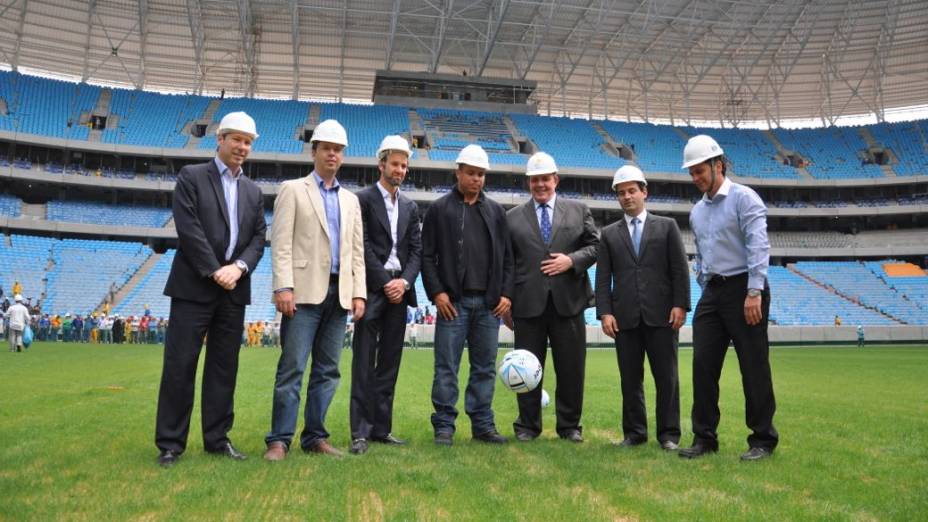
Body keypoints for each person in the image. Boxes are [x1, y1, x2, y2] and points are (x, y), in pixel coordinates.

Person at [154, 111, 267, 467]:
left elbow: (258, 238)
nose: (242, 147)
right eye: (236, 139)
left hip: (233, 291)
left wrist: (238, 267)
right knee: (180, 365)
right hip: (194, 287)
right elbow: (188, 229)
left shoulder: (253, 190)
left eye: (248, 142)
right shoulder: (192, 177)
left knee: (223, 368)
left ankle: (217, 439)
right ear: (220, 139)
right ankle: (171, 443)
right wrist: (216, 270)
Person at [265, 119, 366, 461]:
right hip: (303, 294)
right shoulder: (292, 190)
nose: (333, 155)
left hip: (340, 295)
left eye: (338, 150)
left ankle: (315, 436)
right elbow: (280, 243)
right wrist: (283, 286)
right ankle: (279, 440)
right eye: (327, 148)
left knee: (328, 370)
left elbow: (356, 250)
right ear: (314, 152)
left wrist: (359, 293)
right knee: (292, 367)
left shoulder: (351, 201)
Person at [679, 135, 778, 462]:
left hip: (745, 289)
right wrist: (704, 279)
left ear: (718, 165)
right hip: (713, 291)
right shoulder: (697, 212)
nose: (696, 178)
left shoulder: (744, 199)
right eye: (691, 173)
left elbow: (758, 247)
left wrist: (754, 291)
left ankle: (762, 439)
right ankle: (704, 437)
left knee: (753, 366)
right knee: (703, 366)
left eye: (700, 171)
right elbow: (703, 252)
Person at [422, 144, 513, 446]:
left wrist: (506, 295)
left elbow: (509, 259)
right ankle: (444, 425)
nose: (476, 179)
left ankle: (483, 425)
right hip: (453, 304)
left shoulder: (497, 212)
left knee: (485, 367)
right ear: (458, 172)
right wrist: (437, 293)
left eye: (481, 174)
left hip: (488, 306)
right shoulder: (439, 209)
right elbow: (427, 256)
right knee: (446, 366)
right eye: (471, 173)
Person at [505, 152, 599, 443]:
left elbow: (597, 246)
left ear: (555, 180)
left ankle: (570, 426)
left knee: (571, 368)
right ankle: (527, 426)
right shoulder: (512, 217)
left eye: (545, 179)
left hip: (568, 303)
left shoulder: (578, 210)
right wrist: (505, 302)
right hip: (526, 305)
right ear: (528, 183)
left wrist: (571, 261)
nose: (540, 185)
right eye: (535, 180)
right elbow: (507, 263)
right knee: (526, 368)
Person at [595, 165, 689, 451]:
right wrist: (605, 312)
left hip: (662, 316)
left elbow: (679, 270)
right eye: (621, 193)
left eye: (632, 191)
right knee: (630, 379)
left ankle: (669, 435)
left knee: (667, 379)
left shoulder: (667, 226)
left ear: (644, 192)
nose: (627, 197)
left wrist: (680, 305)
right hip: (625, 319)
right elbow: (603, 277)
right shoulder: (609, 234)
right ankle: (634, 434)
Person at [349, 135, 422, 455]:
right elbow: (360, 244)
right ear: (381, 165)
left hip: (400, 292)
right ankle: (360, 432)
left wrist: (404, 283)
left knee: (390, 362)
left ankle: (382, 428)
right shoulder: (361, 200)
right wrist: (384, 282)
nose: (400, 170)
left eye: (404, 165)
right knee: (364, 362)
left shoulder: (410, 206)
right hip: (372, 289)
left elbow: (417, 251)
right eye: (395, 164)